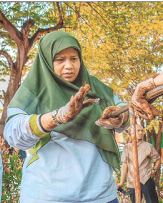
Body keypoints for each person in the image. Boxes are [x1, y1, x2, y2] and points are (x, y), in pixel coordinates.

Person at [3, 31, 129, 203]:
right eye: (60, 60)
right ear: (46, 60)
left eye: (74, 58)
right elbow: (14, 135)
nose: (69, 65)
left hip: (100, 195)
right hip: (46, 196)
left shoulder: (95, 88)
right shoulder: (32, 93)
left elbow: (122, 110)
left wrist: (121, 117)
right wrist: (56, 118)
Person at [117, 124, 161, 203]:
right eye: (138, 131)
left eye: (142, 130)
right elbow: (124, 164)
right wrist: (122, 182)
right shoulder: (127, 147)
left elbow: (158, 160)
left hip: (146, 179)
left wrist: (154, 170)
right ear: (131, 132)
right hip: (132, 181)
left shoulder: (148, 146)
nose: (141, 132)